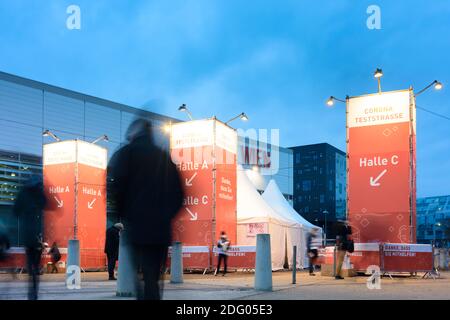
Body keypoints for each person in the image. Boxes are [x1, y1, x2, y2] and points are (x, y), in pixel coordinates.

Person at [108, 118, 184, 300]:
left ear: (134, 133)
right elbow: (180, 194)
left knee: (139, 279)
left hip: (136, 228)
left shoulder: (126, 153)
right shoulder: (164, 157)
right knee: (153, 279)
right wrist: (166, 216)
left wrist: (122, 216)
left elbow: (115, 187)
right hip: (159, 230)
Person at [13, 174, 48, 300]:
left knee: (31, 265)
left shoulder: (23, 192)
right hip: (37, 234)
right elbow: (48, 205)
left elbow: (15, 211)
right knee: (35, 267)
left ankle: (31, 285)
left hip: (27, 235)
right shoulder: (39, 192)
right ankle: (34, 290)